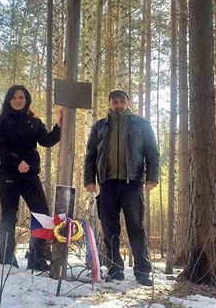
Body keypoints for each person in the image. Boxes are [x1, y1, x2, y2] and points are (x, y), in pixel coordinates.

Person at [84, 89, 160, 286]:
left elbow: (152, 152)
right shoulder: (100, 126)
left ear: (128, 103)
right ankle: (114, 269)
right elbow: (91, 154)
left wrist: (152, 177)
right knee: (110, 228)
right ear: (109, 104)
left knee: (136, 227)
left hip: (132, 183)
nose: (118, 104)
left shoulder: (141, 124)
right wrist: (89, 179)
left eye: (122, 101)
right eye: (115, 101)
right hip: (107, 183)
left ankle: (143, 272)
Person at [0, 85, 61, 270]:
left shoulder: (34, 121)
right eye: (14, 97)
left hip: (30, 175)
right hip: (8, 174)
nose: (18, 100)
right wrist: (17, 161)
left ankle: (37, 259)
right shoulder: (0, 121)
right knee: (9, 216)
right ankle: (7, 260)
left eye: (21, 97)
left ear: (26, 99)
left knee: (42, 214)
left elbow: (47, 141)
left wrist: (59, 125)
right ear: (8, 100)